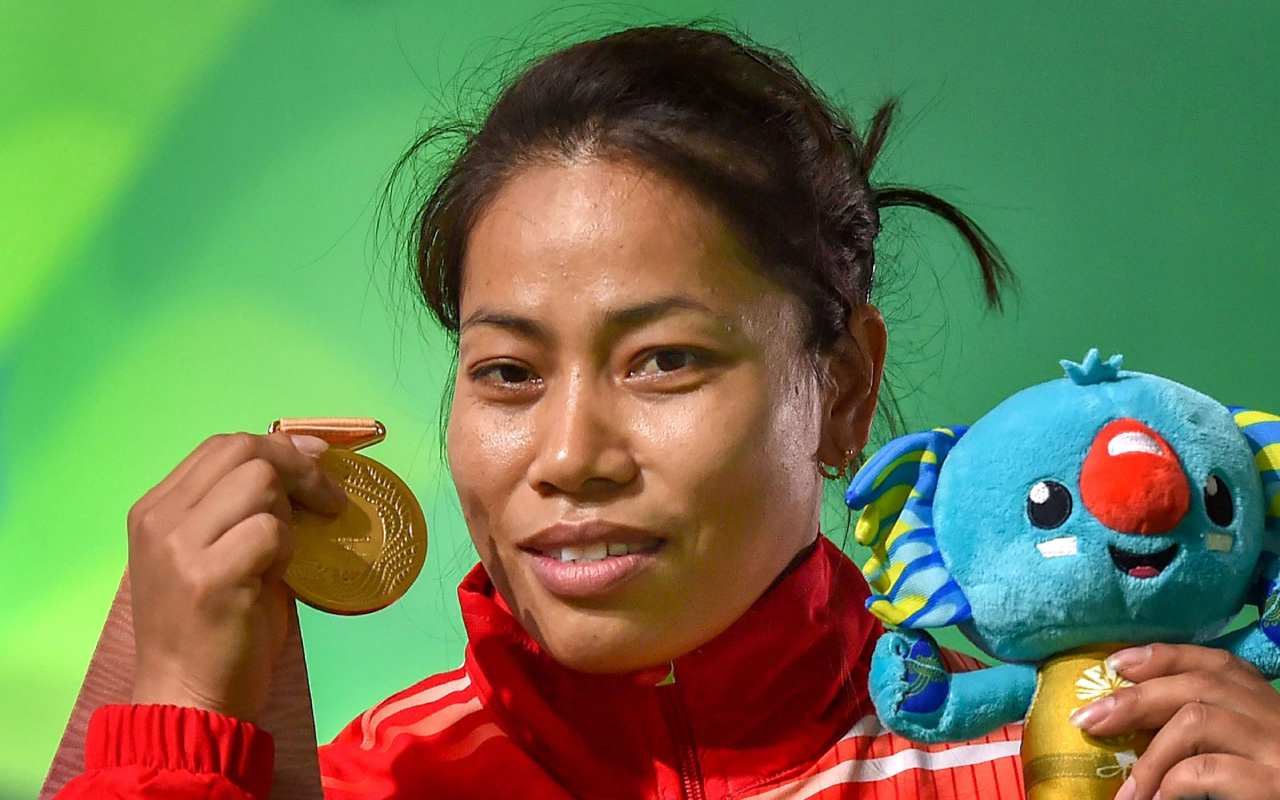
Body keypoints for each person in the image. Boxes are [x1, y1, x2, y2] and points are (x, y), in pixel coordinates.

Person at [53, 22, 1280, 800]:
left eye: (662, 361)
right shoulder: (377, 778)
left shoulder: (1075, 763)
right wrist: (176, 726)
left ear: (840, 388)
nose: (569, 455)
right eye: (508, 372)